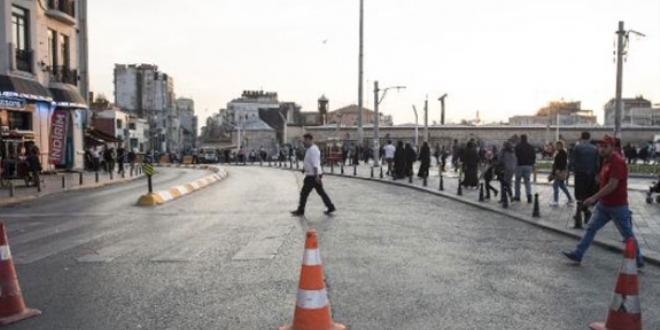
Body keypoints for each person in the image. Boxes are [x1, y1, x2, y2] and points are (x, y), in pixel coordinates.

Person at [562, 135, 644, 270]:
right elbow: (604, 181)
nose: (601, 148)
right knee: (591, 228)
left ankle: (639, 260)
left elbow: (612, 185)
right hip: (604, 205)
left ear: (612, 147)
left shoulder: (617, 161)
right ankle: (578, 253)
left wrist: (594, 198)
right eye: (600, 146)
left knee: (628, 234)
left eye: (605, 146)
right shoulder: (607, 160)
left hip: (618, 205)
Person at [291, 134, 336, 216]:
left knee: (304, 193)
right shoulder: (310, 149)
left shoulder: (313, 150)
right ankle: (330, 207)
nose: (304, 142)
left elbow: (315, 164)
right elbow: (309, 161)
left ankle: (300, 210)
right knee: (321, 192)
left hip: (313, 175)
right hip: (313, 174)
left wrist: (316, 176)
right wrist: (305, 168)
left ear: (309, 140)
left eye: (305, 140)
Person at [571, 132, 599, 228]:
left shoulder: (577, 147)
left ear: (581, 137)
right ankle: (580, 212)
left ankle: (585, 212)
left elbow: (573, 161)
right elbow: (597, 163)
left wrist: (572, 170)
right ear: (589, 137)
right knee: (587, 195)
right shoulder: (594, 148)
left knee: (579, 195)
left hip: (580, 173)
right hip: (591, 174)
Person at [550, 140, 574, 206]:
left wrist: (559, 169)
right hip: (559, 171)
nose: (556, 146)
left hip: (560, 172)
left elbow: (563, 163)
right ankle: (570, 199)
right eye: (556, 145)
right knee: (562, 186)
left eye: (557, 145)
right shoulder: (559, 152)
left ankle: (555, 201)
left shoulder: (563, 152)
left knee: (555, 186)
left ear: (561, 145)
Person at [514, 134, 536, 203]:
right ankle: (529, 195)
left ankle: (517, 196)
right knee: (527, 181)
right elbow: (534, 156)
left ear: (521, 139)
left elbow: (515, 156)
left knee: (517, 181)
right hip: (528, 166)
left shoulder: (517, 147)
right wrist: (532, 164)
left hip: (519, 165)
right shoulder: (530, 147)